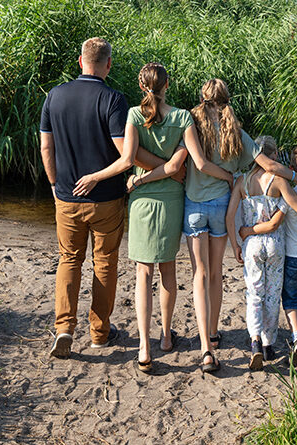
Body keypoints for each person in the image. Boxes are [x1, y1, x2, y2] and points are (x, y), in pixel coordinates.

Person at [75, 64, 235, 373]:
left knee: (143, 274)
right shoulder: (183, 118)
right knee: (168, 271)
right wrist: (228, 177)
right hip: (172, 200)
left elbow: (126, 161)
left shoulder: (134, 115)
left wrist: (100, 177)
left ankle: (144, 348)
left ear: (141, 86)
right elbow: (185, 165)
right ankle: (165, 337)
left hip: (142, 202)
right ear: (167, 85)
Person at [183, 79, 297, 369]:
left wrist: (240, 239)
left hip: (197, 205)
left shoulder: (191, 124)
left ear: (202, 98)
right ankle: (239, 336)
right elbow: (271, 167)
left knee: (204, 274)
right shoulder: (236, 131)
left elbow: (193, 163)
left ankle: (212, 341)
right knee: (222, 275)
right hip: (227, 209)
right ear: (227, 99)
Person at [39, 37, 129, 359]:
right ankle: (99, 333)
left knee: (69, 259)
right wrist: (97, 177)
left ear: (80, 61)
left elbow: (46, 147)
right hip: (106, 199)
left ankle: (64, 328)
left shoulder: (55, 95)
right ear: (108, 65)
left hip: (66, 196)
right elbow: (125, 156)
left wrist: (54, 184)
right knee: (104, 262)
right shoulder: (113, 99)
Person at [226, 136, 297, 370]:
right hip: (275, 245)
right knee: (273, 295)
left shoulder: (242, 181)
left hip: (251, 244)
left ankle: (255, 341)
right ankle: (268, 345)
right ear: (274, 156)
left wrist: (235, 244)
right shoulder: (280, 181)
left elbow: (230, 216)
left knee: (254, 294)